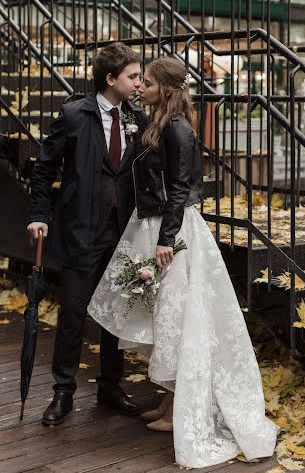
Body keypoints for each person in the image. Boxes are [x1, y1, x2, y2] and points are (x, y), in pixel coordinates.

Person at [88, 56, 278, 468]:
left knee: (179, 318)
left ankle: (181, 410)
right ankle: (169, 398)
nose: (142, 88)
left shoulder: (177, 129)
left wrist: (166, 240)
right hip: (150, 224)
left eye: (149, 82)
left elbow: (180, 188)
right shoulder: (159, 120)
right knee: (164, 317)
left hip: (170, 231)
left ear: (167, 88)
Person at [27, 42, 148, 426]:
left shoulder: (137, 117)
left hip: (123, 232)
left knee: (116, 313)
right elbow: (44, 168)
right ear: (110, 79)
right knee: (74, 313)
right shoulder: (74, 115)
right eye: (132, 76)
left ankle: (110, 386)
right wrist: (38, 214)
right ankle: (63, 391)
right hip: (82, 231)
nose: (139, 83)